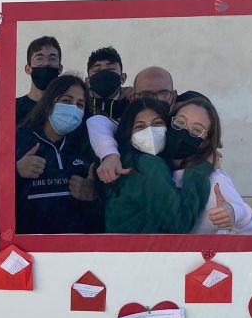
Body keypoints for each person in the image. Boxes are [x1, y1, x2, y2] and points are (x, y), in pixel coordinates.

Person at [166, 95, 252, 235]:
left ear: (206, 142)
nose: (184, 131)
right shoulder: (156, 169)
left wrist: (236, 214)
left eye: (196, 130)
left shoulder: (213, 181)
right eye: (179, 122)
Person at [103, 97, 212, 234]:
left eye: (157, 123)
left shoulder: (126, 160)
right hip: (141, 247)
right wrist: (202, 167)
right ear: (128, 132)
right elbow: (179, 223)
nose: (150, 131)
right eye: (140, 127)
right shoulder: (148, 165)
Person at [15, 74, 101, 234]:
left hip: (77, 244)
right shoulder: (19, 139)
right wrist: (16, 171)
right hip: (29, 243)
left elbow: (104, 212)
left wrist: (93, 196)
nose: (73, 109)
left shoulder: (90, 145)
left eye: (80, 105)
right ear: (49, 103)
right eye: (66, 101)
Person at [91, 65, 177, 183]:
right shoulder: (127, 127)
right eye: (146, 95)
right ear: (132, 98)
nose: (155, 101)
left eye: (163, 93)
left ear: (174, 96)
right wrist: (110, 155)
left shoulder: (184, 124)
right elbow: (98, 122)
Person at [16, 36, 62, 126]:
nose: (46, 63)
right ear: (28, 69)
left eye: (52, 58)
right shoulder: (13, 108)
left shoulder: (67, 110)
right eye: (39, 58)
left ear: (60, 69)